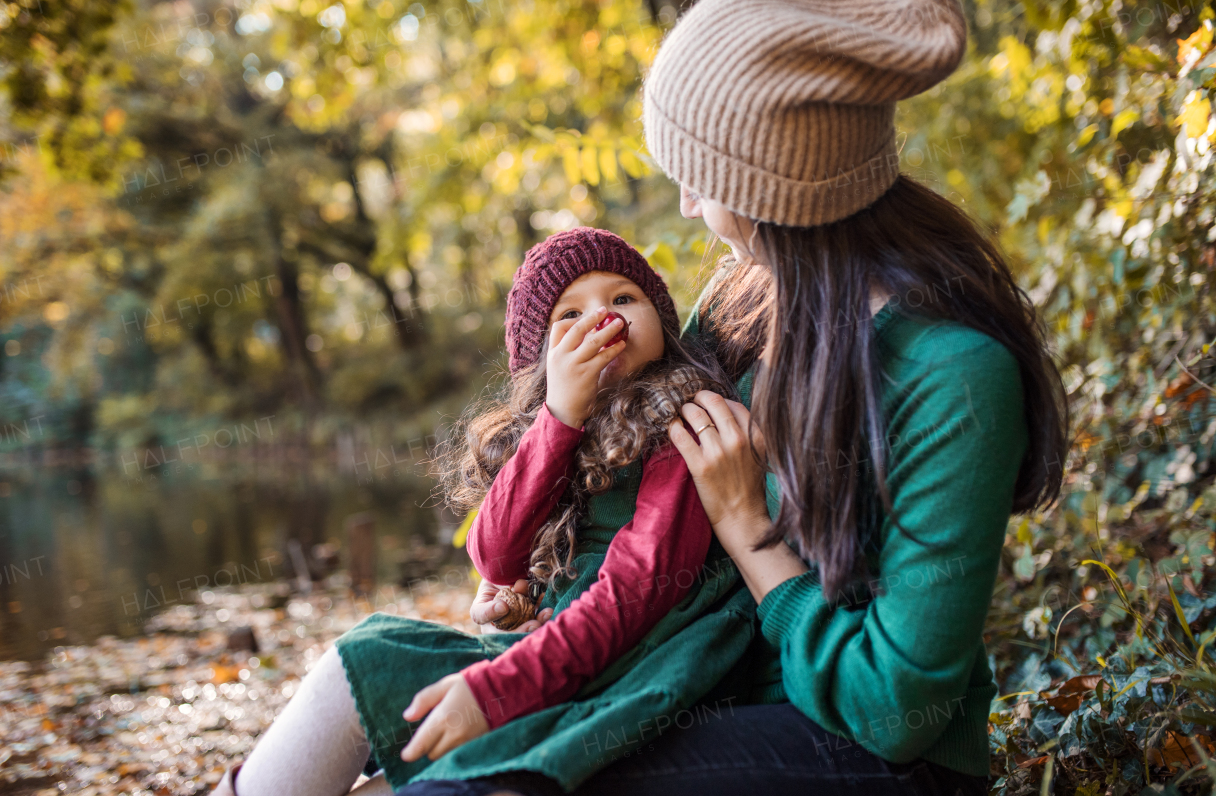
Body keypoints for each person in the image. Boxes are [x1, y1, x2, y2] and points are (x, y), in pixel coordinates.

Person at [408, 0, 1069, 794]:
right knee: (402, 730)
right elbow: (639, 506)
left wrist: (749, 530)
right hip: (698, 685)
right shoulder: (744, 303)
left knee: (498, 782)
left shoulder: (952, 375)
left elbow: (897, 711)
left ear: (773, 188)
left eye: (702, 177)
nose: (686, 203)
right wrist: (538, 567)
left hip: (871, 755)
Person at [211, 227, 758, 796]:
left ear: (663, 324)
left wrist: (499, 687)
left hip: (635, 670)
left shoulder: (682, 422)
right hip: (561, 654)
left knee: (368, 676)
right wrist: (559, 420)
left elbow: (640, 585)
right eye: (568, 315)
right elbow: (495, 552)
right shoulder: (561, 429)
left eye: (624, 298)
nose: (604, 320)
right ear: (538, 363)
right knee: (355, 667)